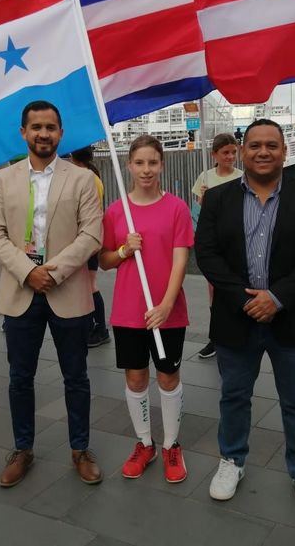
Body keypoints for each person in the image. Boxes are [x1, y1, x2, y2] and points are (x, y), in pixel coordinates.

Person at [195, 119, 295, 512]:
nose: (263, 152)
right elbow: (207, 254)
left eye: (272, 145)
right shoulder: (217, 199)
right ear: (242, 151)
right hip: (236, 319)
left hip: (291, 318)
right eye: (254, 145)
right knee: (234, 395)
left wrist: (276, 297)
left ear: (285, 151)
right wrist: (245, 299)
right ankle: (232, 460)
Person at [0, 100, 103, 488]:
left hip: (67, 290)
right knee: (20, 377)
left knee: (77, 377)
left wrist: (53, 271)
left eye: (50, 127)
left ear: (61, 133)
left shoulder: (82, 178)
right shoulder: (3, 180)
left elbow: (92, 234)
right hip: (21, 292)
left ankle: (80, 449)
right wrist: (28, 272)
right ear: (23, 133)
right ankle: (23, 449)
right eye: (36, 127)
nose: (43, 134)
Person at [100, 135, 194, 483]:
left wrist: (167, 304)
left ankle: (171, 445)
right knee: (136, 377)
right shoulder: (116, 211)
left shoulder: (177, 209)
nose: (146, 170)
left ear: (162, 165)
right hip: (128, 311)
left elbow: (181, 259)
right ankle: (144, 443)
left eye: (152, 162)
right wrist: (124, 249)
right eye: (139, 163)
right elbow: (105, 260)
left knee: (168, 376)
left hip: (167, 312)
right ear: (128, 165)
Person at [191, 133, 242, 359]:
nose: (230, 156)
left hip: (237, 240)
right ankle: (216, 336)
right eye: (225, 152)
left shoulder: (242, 176)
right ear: (215, 155)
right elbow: (198, 211)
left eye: (233, 152)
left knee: (236, 285)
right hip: (214, 241)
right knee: (214, 290)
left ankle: (237, 331)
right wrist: (202, 200)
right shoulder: (205, 177)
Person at [68, 146, 109, 348]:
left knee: (90, 283)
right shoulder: (94, 176)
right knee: (88, 282)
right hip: (92, 234)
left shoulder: (84, 177)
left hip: (87, 236)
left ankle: (99, 328)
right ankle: (94, 326)